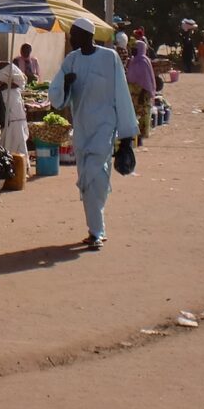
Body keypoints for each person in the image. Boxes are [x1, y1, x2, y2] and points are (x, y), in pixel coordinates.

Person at [49, 18, 138, 250]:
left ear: (88, 35)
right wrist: (67, 84)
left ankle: (96, 231)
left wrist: (126, 137)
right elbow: (57, 97)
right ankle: (97, 228)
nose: (71, 39)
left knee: (94, 175)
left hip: (104, 127)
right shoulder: (71, 60)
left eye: (74, 35)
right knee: (90, 181)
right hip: (82, 130)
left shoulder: (109, 58)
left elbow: (121, 94)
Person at [126, 40, 157, 144]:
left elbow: (146, 80)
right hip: (133, 94)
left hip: (141, 94)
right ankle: (135, 137)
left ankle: (140, 138)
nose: (132, 50)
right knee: (134, 116)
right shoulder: (132, 61)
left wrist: (143, 93)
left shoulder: (143, 62)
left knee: (142, 116)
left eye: (135, 48)